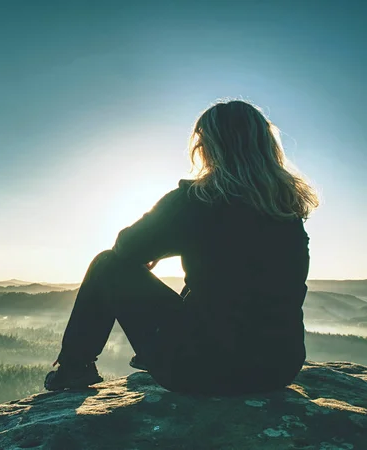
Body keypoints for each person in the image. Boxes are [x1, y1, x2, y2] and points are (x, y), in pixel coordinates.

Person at [44, 99, 319, 395]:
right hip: (278, 369)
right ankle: (159, 351)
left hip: (202, 370)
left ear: (208, 148)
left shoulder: (197, 200)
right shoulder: (285, 210)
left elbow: (126, 247)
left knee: (107, 265)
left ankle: (75, 367)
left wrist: (157, 252)